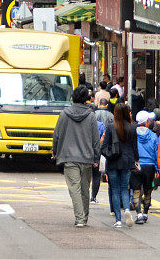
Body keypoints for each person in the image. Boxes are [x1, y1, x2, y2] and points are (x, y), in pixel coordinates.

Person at [52, 84, 100, 227]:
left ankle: (80, 219)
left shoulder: (64, 114)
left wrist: (54, 151)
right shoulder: (91, 116)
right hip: (87, 158)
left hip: (69, 157)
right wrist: (96, 157)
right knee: (85, 189)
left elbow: (57, 135)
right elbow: (95, 139)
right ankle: (83, 218)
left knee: (75, 188)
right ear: (87, 99)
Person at [101, 101, 138, 228]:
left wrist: (108, 155)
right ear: (127, 113)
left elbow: (104, 146)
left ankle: (118, 220)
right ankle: (127, 209)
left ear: (115, 113)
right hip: (127, 161)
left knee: (115, 190)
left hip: (113, 162)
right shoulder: (132, 127)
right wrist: (136, 160)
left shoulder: (111, 127)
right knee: (124, 188)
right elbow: (135, 147)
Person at [133, 110, 158, 224]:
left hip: (137, 165)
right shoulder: (153, 136)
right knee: (148, 191)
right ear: (147, 122)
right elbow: (156, 152)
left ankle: (138, 214)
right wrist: (157, 168)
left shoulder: (133, 134)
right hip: (150, 166)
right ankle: (145, 213)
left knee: (137, 191)